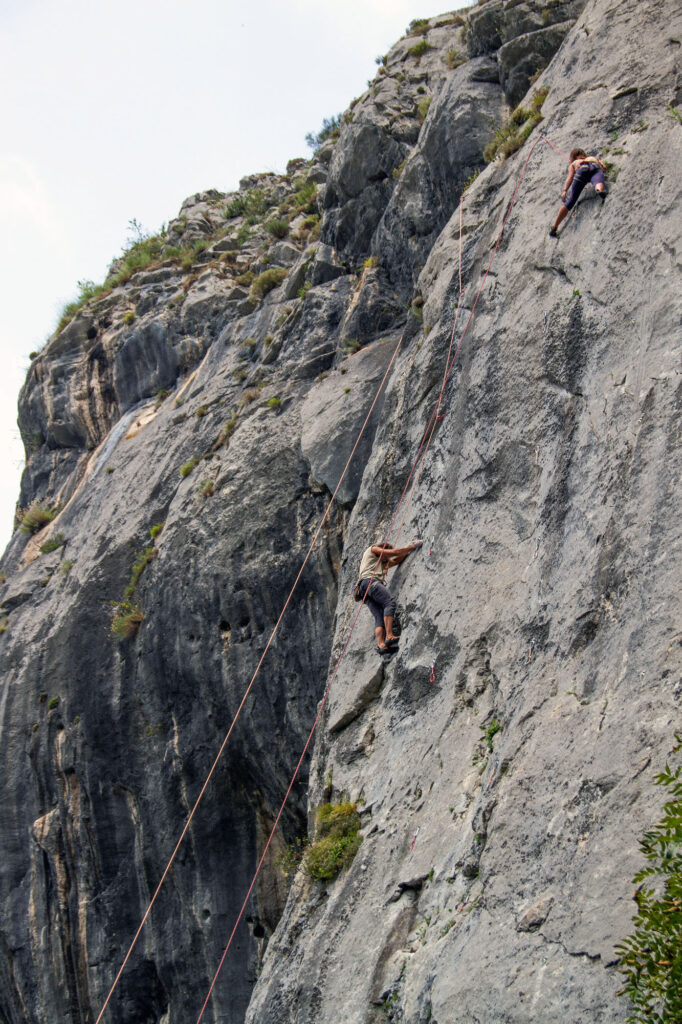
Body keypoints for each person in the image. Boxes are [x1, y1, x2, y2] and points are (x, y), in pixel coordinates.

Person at [355, 539, 422, 653]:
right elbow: (394, 553)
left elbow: (396, 560)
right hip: (369, 582)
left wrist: (406, 553)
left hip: (363, 591)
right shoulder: (373, 549)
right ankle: (389, 636)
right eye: (386, 555)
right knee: (389, 602)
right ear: (383, 549)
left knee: (379, 616)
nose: (387, 559)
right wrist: (412, 547)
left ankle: (381, 645)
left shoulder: (379, 563)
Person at [549, 149, 607, 237]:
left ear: (574, 157)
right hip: (595, 167)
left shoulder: (575, 162)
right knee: (598, 181)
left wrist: (565, 190)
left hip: (582, 169)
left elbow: (570, 177)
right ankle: (599, 189)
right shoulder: (593, 158)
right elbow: (604, 167)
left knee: (571, 201)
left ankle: (555, 227)